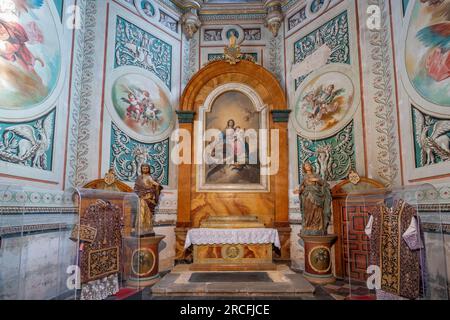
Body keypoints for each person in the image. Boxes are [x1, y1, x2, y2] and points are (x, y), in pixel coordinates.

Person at [294, 161, 332, 236]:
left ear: (311, 166)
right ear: (304, 168)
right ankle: (308, 226)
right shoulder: (304, 176)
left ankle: (318, 226)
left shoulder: (316, 175)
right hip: (307, 196)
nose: (307, 166)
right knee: (308, 211)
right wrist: (299, 190)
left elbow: (324, 184)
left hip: (316, 195)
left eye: (308, 165)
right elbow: (302, 186)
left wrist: (316, 180)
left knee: (317, 210)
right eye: (306, 166)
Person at [133, 164, 163, 236]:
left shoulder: (152, 178)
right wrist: (141, 194)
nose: (145, 169)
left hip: (150, 198)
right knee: (142, 214)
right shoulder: (139, 178)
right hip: (142, 198)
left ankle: (148, 230)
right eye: (144, 168)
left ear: (149, 169)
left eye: (147, 168)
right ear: (141, 169)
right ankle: (140, 231)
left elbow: (158, 187)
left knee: (149, 215)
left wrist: (155, 189)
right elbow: (136, 189)